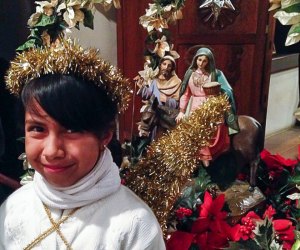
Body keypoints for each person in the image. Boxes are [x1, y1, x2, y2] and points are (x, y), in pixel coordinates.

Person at [0, 40, 165, 250]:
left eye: (71, 130)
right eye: (38, 129)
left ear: (105, 135)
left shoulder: (135, 225)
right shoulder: (12, 210)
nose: (52, 152)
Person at [175, 47, 239, 166]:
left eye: (204, 61)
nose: (201, 63)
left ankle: (209, 157)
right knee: (189, 129)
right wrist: (181, 111)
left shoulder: (215, 74)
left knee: (214, 127)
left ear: (209, 61)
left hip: (209, 105)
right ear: (195, 60)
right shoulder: (190, 74)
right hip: (193, 106)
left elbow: (227, 90)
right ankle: (194, 159)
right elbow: (185, 94)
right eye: (199, 60)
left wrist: (217, 95)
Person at [137, 55, 182, 140]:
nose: (166, 67)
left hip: (168, 118)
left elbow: (178, 103)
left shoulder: (177, 82)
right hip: (156, 118)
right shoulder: (155, 81)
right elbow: (150, 95)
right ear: (160, 65)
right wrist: (141, 88)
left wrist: (167, 100)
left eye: (169, 65)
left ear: (172, 68)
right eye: (164, 64)